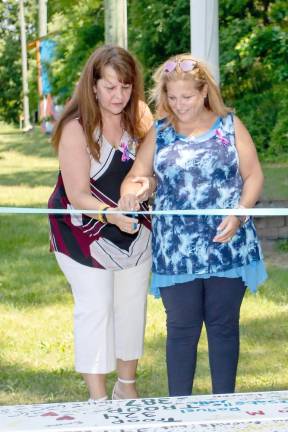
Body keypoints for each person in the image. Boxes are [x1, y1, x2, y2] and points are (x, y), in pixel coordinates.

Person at [120, 53, 267, 396]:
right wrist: (133, 192)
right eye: (171, 97)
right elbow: (137, 177)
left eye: (186, 97)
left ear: (204, 92)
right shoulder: (160, 132)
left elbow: (254, 175)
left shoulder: (229, 125)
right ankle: (178, 411)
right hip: (176, 251)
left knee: (223, 326)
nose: (179, 104)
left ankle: (222, 409)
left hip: (228, 244)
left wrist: (240, 212)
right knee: (182, 329)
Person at [48, 45, 153, 402]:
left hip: (134, 232)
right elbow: (77, 194)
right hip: (81, 232)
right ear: (93, 86)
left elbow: (153, 172)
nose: (118, 96)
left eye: (125, 87)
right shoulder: (75, 127)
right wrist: (111, 215)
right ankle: (97, 399)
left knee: (131, 304)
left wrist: (144, 187)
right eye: (109, 87)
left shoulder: (141, 117)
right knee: (96, 305)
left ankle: (127, 387)